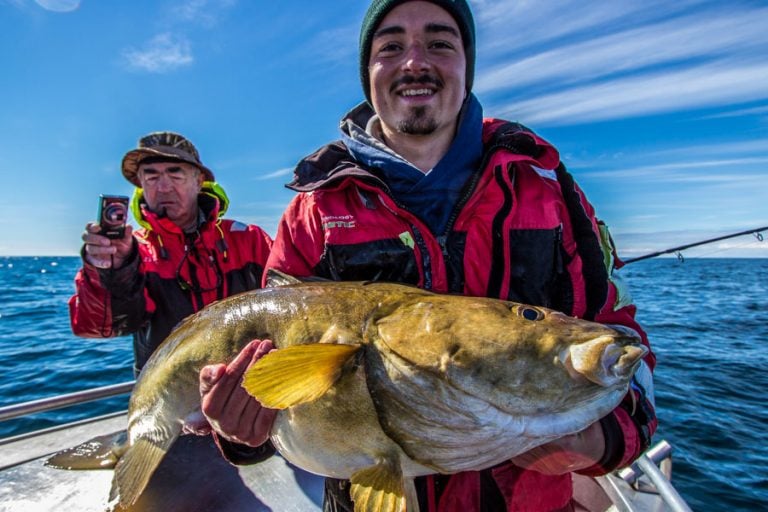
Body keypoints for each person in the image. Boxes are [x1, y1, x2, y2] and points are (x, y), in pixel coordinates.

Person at [197, 1, 658, 510]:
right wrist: (241, 432)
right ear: (367, 73)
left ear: (467, 64)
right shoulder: (312, 211)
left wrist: (602, 439)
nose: (414, 62)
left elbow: (622, 335)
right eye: (390, 47)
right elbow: (270, 382)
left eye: (440, 43)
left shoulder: (547, 188)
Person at [68, 131, 273, 374]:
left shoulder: (249, 239)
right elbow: (100, 327)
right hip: (169, 396)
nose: (164, 187)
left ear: (199, 181)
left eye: (175, 173)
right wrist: (110, 271)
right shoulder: (130, 254)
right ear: (141, 185)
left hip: (250, 386)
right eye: (151, 176)